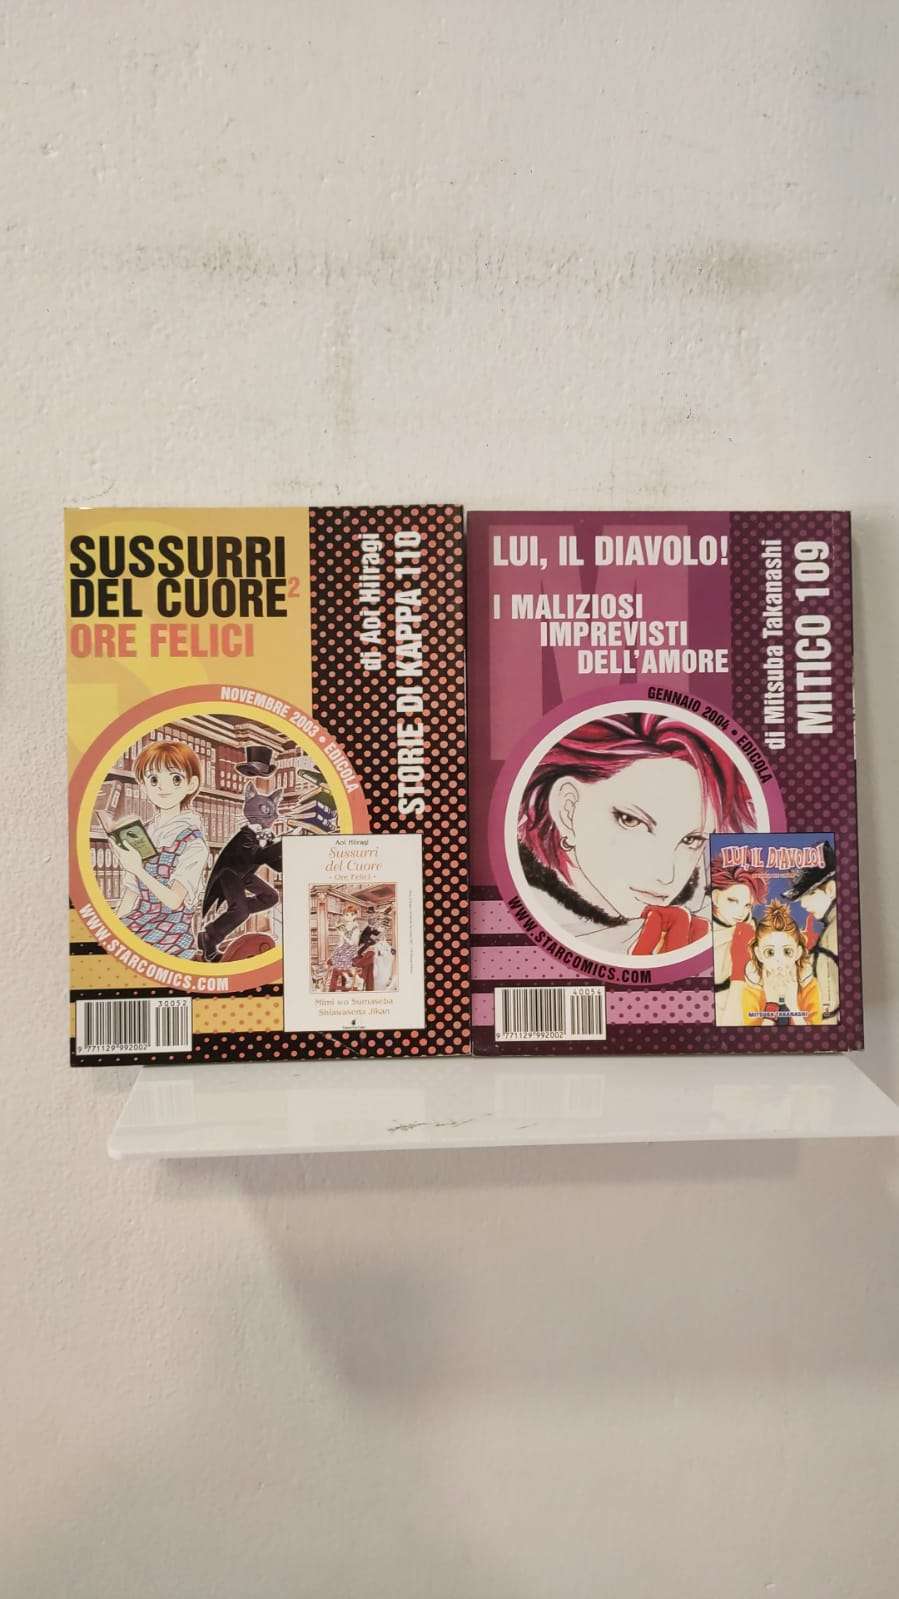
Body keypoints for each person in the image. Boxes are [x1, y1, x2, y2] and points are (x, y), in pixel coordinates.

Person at [517, 710, 757, 958]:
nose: (666, 876)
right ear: (568, 808)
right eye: (630, 821)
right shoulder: (526, 911)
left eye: (691, 840)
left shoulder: (708, 922)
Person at [112, 740, 210, 958]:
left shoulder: (193, 842)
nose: (162, 788)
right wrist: (113, 928)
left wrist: (138, 870)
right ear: (144, 786)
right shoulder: (143, 832)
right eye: (154, 780)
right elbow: (131, 891)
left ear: (191, 784)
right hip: (138, 921)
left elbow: (174, 901)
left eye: (175, 779)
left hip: (170, 934)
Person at [741, 901, 822, 1025]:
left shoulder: (808, 984)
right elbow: (752, 1034)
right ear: (758, 954)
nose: (779, 960)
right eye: (770, 952)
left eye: (787, 951)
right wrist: (771, 1005)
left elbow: (816, 1032)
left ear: (798, 952)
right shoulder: (753, 988)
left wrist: (793, 1006)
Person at [784, 842, 839, 1025]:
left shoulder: (831, 937)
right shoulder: (834, 929)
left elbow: (828, 1014)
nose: (803, 904)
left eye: (809, 894)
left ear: (831, 890)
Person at [710, 857, 768, 1024]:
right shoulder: (702, 930)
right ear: (716, 897)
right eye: (733, 901)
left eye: (747, 905)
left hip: (744, 1010)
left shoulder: (753, 933)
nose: (740, 912)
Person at [328, 908, 360, 991]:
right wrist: (337, 947)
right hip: (345, 947)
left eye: (351, 915)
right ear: (343, 916)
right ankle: (348, 978)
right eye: (346, 915)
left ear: (355, 916)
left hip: (352, 948)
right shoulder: (344, 926)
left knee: (342, 958)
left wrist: (343, 935)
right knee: (335, 956)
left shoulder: (356, 927)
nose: (349, 917)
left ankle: (357, 979)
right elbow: (341, 942)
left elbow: (353, 943)